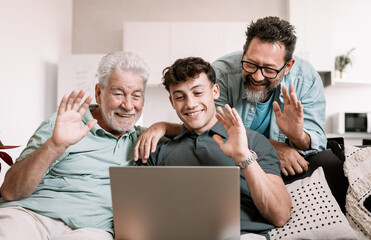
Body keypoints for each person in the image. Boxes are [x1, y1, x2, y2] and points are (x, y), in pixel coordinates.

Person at [0, 51, 176, 239]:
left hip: (91, 230)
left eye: (136, 96)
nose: (128, 105)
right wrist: (54, 146)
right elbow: (11, 191)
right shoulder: (63, 125)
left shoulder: (145, 139)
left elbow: (196, 132)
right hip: (32, 215)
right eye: (118, 93)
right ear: (99, 93)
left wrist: (162, 126)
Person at [139, 57, 291, 239]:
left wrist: (243, 157)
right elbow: (140, 219)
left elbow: (280, 215)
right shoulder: (158, 150)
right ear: (172, 102)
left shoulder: (253, 141)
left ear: (215, 91)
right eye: (180, 97)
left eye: (198, 93)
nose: (190, 104)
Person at [212, 16, 327, 177]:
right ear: (244, 51)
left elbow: (318, 142)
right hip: (233, 165)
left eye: (269, 69)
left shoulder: (307, 80)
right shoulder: (220, 74)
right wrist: (268, 146)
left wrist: (298, 136)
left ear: (288, 66)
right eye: (250, 64)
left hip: (286, 169)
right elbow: (212, 130)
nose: (258, 77)